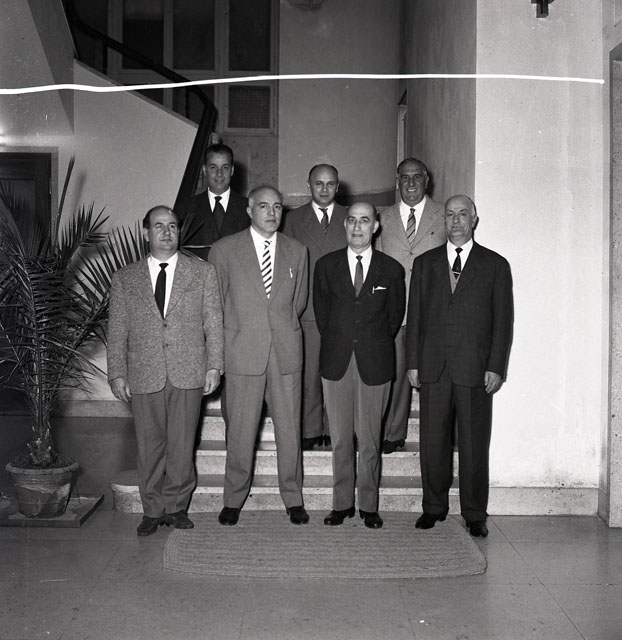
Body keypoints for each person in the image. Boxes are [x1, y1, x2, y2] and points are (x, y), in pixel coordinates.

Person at [107, 206, 224, 536]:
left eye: (172, 226)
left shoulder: (202, 273)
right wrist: (117, 373)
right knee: (149, 446)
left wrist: (215, 365)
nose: (166, 232)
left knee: (183, 445)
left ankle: (176, 507)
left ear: (179, 231)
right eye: (159, 226)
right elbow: (117, 329)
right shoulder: (125, 278)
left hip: (189, 370)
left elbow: (214, 322)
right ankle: (152, 510)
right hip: (144, 371)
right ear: (146, 232)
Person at [406, 195, 513, 537]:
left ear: (474, 219)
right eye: (450, 214)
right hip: (433, 367)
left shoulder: (495, 265)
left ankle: (474, 513)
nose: (456, 221)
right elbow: (415, 317)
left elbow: (503, 322)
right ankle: (433, 507)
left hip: (474, 369)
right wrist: (413, 363)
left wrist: (496, 366)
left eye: (462, 214)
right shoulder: (424, 264)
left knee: (473, 445)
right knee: (432, 443)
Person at [209, 185, 310, 526]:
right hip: (242, 352)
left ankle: (293, 498)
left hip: (285, 352)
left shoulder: (297, 251)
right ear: (250, 210)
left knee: (289, 430)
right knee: (240, 430)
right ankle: (233, 499)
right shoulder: (225, 250)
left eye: (277, 207)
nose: (271, 212)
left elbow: (298, 303)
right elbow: (216, 305)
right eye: (264, 206)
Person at [314, 202, 405, 529]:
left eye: (364, 221)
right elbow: (322, 316)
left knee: (370, 439)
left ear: (375, 226)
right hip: (336, 361)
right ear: (344, 225)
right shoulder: (326, 266)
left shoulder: (391, 269)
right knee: (340, 438)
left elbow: (393, 318)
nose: (357, 227)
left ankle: (368, 505)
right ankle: (341, 504)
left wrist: (368, 341)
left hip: (374, 361)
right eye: (351, 220)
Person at [376, 158, 446, 454]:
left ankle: (436, 436)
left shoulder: (444, 215)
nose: (412, 182)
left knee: (432, 375)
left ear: (427, 180)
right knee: (395, 373)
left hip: (433, 312)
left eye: (417, 176)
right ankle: (393, 432)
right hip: (394, 310)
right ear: (397, 182)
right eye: (405, 177)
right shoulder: (382, 217)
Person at [282, 164, 348, 450]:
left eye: (330, 184)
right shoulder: (293, 219)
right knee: (309, 373)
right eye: (318, 183)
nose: (324, 189)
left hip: (342, 308)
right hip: (307, 307)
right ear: (308, 185)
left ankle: (334, 429)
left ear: (338, 187)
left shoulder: (350, 216)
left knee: (337, 373)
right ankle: (310, 430)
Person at [177, 143, 249, 262]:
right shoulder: (186, 209)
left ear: (232, 170)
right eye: (213, 167)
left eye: (225, 167)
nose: (219, 173)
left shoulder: (248, 208)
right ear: (204, 170)